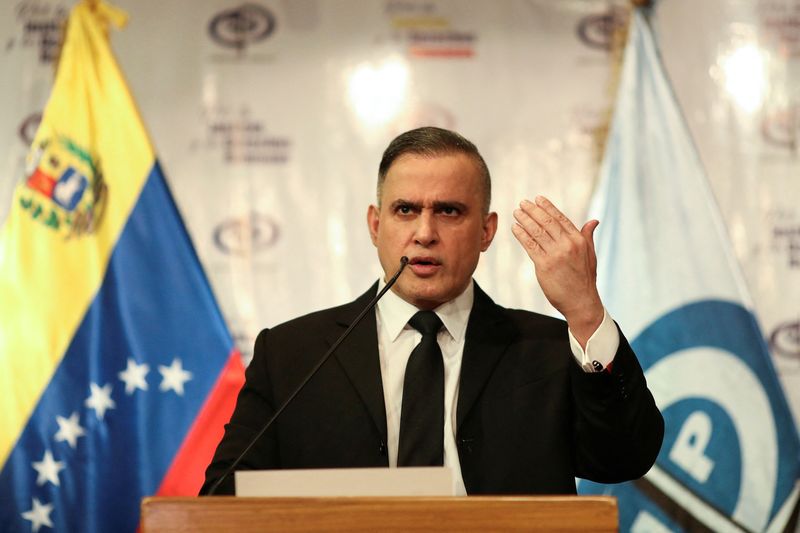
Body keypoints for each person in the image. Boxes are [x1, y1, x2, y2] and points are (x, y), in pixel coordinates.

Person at [201, 127, 664, 496]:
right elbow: (223, 499)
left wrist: (585, 311)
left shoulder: (546, 349)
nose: (424, 232)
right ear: (375, 225)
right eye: (405, 210)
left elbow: (624, 456)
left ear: (486, 231)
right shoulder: (292, 355)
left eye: (448, 211)